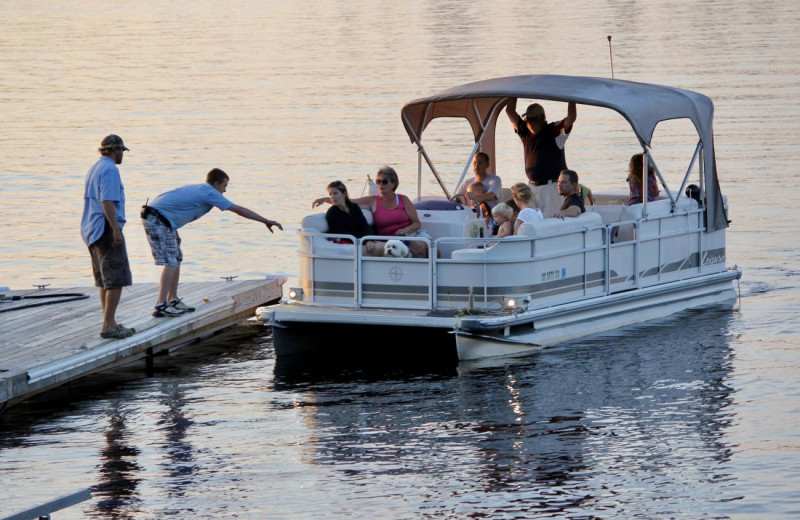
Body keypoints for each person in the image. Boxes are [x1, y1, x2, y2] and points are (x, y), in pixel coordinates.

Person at [142, 168, 283, 318]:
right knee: (171, 260)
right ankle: (161, 304)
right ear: (216, 183)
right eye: (224, 186)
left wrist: (174, 229)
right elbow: (239, 209)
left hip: (161, 218)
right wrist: (265, 221)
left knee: (176, 257)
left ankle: (172, 299)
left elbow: (171, 204)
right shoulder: (210, 192)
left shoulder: (199, 188)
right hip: (157, 219)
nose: (225, 191)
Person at [81, 134, 135, 339]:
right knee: (116, 278)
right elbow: (107, 201)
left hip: (91, 228)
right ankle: (109, 325)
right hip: (105, 228)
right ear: (115, 150)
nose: (123, 155)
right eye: (122, 151)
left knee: (104, 280)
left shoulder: (95, 168)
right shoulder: (110, 169)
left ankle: (108, 322)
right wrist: (115, 229)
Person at [313, 166, 429, 258]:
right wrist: (326, 199)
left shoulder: (403, 199)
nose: (380, 185)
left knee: (433, 248)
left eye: (384, 182)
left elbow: (417, 223)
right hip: (389, 239)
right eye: (378, 181)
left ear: (393, 183)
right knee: (419, 247)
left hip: (411, 233)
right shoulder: (372, 200)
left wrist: (405, 230)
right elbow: (348, 201)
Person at [506, 99, 577, 218]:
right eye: (527, 119)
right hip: (532, 189)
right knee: (532, 221)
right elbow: (509, 111)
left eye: (533, 120)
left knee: (551, 222)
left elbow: (571, 118)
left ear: (542, 119)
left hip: (551, 189)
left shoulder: (554, 131)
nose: (529, 123)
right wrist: (515, 89)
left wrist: (571, 99)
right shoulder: (525, 131)